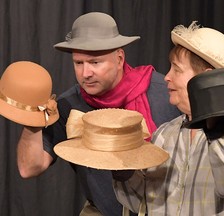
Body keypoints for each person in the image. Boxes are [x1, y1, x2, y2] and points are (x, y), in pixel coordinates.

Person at [16, 12, 181, 216]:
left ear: (120, 58)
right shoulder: (69, 104)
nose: (85, 73)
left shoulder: (164, 93)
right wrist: (31, 122)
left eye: (95, 63)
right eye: (78, 63)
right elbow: (29, 168)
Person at [112, 21, 224, 215]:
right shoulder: (164, 135)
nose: (167, 77)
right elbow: (140, 203)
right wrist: (123, 170)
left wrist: (216, 130)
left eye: (176, 69)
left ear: (206, 78)